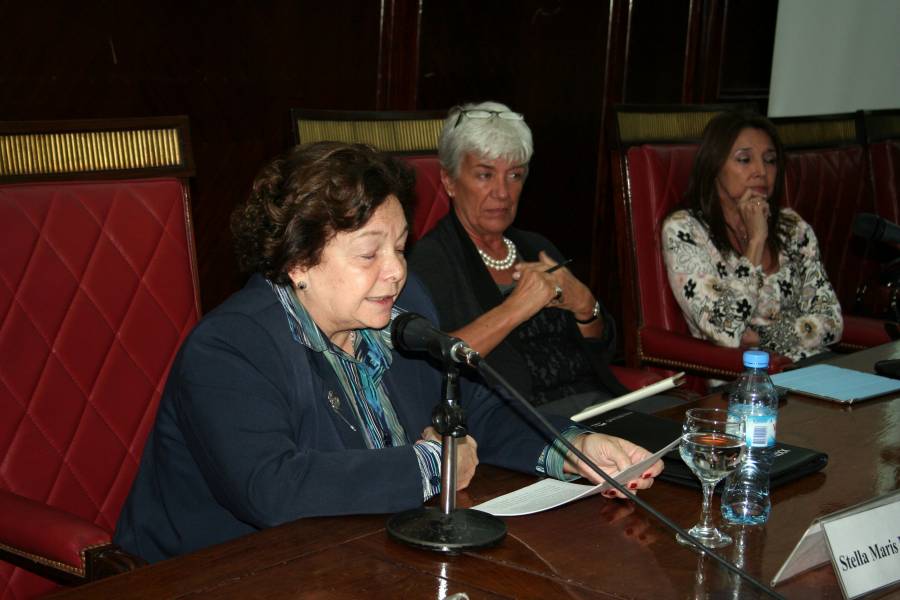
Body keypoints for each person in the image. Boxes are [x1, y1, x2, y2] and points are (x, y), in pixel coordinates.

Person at [114, 142, 663, 562]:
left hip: (358, 559)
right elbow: (274, 489)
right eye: (369, 253)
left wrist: (573, 447)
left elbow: (476, 411)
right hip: (217, 576)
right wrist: (430, 465)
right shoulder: (230, 349)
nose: (396, 271)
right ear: (300, 261)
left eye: (400, 247)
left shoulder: (398, 310)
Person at [408, 101, 682, 417]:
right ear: (449, 181)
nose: (502, 192)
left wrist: (584, 305)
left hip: (597, 406)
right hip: (527, 426)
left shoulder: (535, 245)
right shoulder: (429, 262)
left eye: (515, 175)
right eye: (485, 175)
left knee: (705, 431)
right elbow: (434, 363)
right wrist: (517, 307)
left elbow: (602, 347)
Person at [661, 110, 843, 363]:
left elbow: (832, 322)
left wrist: (764, 337)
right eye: (745, 159)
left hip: (816, 366)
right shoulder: (685, 230)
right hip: (749, 379)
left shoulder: (792, 227)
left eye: (770, 160)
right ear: (714, 167)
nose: (761, 171)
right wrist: (756, 242)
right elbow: (726, 331)